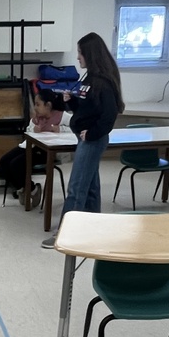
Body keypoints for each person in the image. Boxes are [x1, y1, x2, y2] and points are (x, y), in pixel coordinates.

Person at [41, 32, 125, 248]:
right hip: (84, 138)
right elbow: (86, 109)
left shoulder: (103, 82)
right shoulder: (87, 78)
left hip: (92, 140)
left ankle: (65, 234)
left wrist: (94, 132)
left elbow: (109, 114)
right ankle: (94, 228)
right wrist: (71, 102)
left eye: (80, 53)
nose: (78, 57)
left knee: (77, 187)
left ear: (90, 54)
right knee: (91, 187)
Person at [0, 88, 67, 209]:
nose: (35, 107)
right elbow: (28, 131)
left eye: (38, 104)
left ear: (48, 105)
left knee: (16, 164)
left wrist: (61, 130)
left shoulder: (63, 117)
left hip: (46, 151)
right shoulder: (36, 118)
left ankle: (29, 190)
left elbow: (76, 128)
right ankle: (29, 188)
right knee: (4, 161)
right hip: (30, 146)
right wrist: (33, 130)